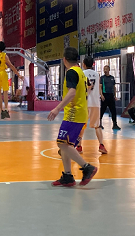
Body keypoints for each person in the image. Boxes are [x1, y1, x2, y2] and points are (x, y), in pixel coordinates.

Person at [47, 46, 99, 187]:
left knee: (61, 143)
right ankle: (68, 176)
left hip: (74, 114)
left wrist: (57, 108)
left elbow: (72, 92)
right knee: (66, 145)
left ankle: (87, 167)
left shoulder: (71, 72)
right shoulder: (80, 72)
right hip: (80, 113)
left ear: (64, 59)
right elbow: (87, 89)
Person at [81, 55, 107, 154]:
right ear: (92, 64)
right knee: (97, 126)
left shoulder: (82, 73)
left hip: (85, 102)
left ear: (83, 64)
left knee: (81, 125)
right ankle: (101, 145)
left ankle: (79, 146)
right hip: (95, 102)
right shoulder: (97, 74)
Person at [99, 65, 120, 130]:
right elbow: (100, 87)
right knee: (102, 110)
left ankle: (115, 124)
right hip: (105, 95)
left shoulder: (112, 78)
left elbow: (114, 87)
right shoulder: (102, 78)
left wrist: (115, 96)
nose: (105, 70)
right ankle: (99, 124)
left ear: (109, 70)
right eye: (104, 69)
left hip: (111, 96)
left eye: (106, 69)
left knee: (113, 110)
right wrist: (101, 95)